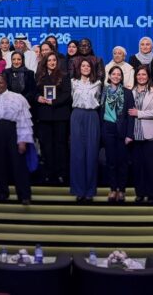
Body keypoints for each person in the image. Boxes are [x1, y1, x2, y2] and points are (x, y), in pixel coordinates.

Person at [0, 75, 34, 205]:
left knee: (18, 164)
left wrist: (23, 140)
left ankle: (24, 195)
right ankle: (1, 194)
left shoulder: (18, 98)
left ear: (6, 83)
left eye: (0, 83)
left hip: (14, 133)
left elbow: (24, 120)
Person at [100, 66, 136, 203]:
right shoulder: (103, 91)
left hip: (122, 130)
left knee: (122, 162)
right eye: (113, 74)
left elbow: (131, 115)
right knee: (111, 162)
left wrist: (129, 134)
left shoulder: (127, 93)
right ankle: (113, 189)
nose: (116, 76)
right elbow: (100, 111)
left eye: (118, 74)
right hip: (107, 129)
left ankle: (121, 190)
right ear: (109, 76)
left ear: (121, 77)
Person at [69, 58, 102, 203]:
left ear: (92, 68)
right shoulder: (72, 82)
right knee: (77, 154)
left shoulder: (98, 83)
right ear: (79, 67)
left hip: (92, 116)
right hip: (77, 115)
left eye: (88, 66)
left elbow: (99, 99)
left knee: (92, 153)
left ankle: (90, 190)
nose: (86, 68)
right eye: (83, 65)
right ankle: (78, 190)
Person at [35, 53, 72, 184]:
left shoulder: (64, 76)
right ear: (45, 62)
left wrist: (54, 102)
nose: (52, 62)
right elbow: (34, 92)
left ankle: (61, 174)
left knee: (60, 146)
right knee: (46, 146)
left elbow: (67, 94)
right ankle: (48, 174)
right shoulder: (39, 76)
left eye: (54, 60)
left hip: (60, 116)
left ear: (57, 62)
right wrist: (37, 97)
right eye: (49, 60)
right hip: (44, 116)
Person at [128, 65, 153, 203]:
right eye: (139, 74)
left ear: (148, 76)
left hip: (150, 135)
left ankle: (152, 194)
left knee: (151, 166)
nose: (141, 77)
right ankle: (140, 193)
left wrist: (139, 113)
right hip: (135, 135)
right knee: (138, 167)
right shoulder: (131, 92)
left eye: (144, 74)